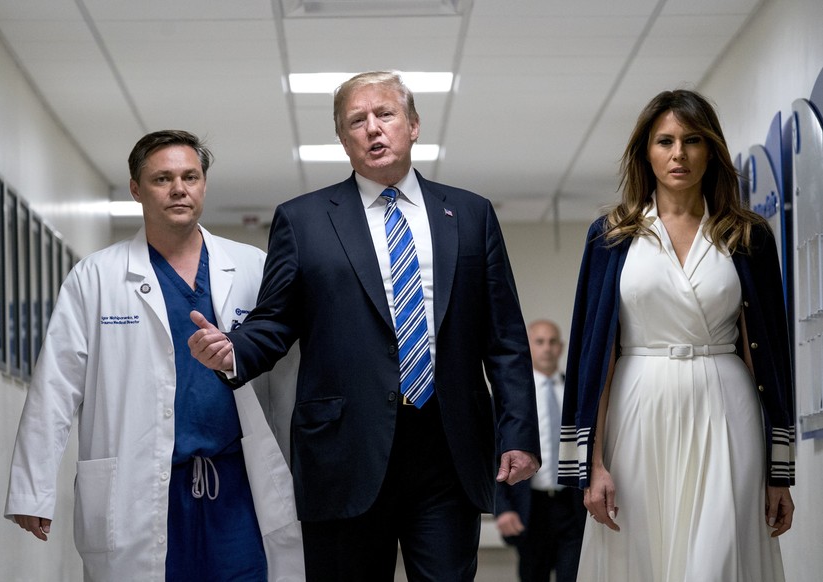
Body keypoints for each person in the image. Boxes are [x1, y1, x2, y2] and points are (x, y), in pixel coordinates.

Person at [188, 70, 541, 581]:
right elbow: (274, 321)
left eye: (385, 115)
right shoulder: (304, 220)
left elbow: (505, 338)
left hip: (448, 447)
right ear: (342, 139)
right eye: (357, 120)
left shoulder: (469, 214)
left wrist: (518, 433)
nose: (373, 129)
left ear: (413, 125)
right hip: (344, 451)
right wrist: (234, 352)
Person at [4, 130, 304, 582]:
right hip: (140, 485)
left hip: (239, 485)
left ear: (204, 184)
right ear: (136, 188)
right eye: (162, 178)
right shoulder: (96, 277)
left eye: (191, 176)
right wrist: (33, 489)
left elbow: (289, 378)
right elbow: (55, 387)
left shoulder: (252, 266)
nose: (179, 188)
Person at [559, 89, 795, 581]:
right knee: (642, 558)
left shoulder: (747, 236)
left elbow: (771, 356)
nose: (678, 154)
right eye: (664, 141)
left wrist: (780, 472)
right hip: (638, 408)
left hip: (727, 410)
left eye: (692, 140)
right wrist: (592, 465)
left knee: (717, 558)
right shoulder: (611, 236)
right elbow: (592, 354)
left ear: (711, 150)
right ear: (646, 152)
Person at [496, 320, 585, 582]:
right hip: (531, 507)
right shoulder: (513, 398)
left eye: (552, 341)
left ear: (561, 347)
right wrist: (502, 507)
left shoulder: (575, 394)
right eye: (540, 341)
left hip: (572, 505)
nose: (547, 348)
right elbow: (493, 455)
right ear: (529, 346)